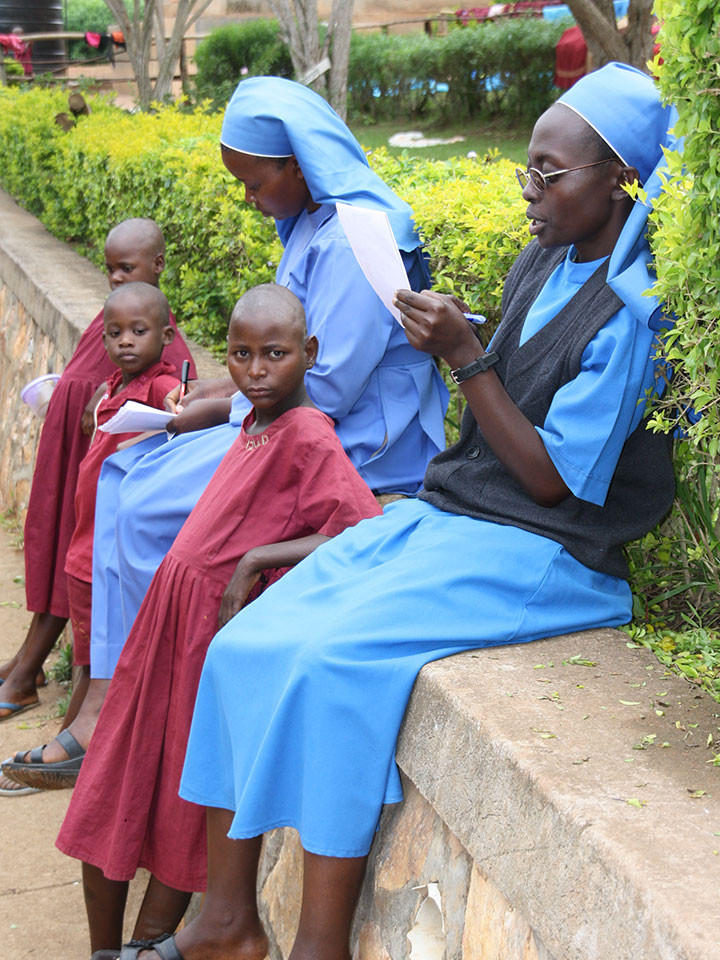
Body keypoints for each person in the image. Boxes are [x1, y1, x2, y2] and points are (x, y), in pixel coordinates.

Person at [112, 63, 675, 960]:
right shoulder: (548, 256)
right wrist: (468, 342)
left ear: (624, 182)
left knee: (339, 665)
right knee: (248, 639)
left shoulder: (631, 316)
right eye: (525, 169)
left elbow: (549, 483)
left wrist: (465, 356)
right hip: (455, 519)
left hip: (547, 555)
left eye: (549, 173)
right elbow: (503, 422)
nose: (529, 191)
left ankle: (320, 946)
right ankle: (226, 920)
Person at [6, 76, 448, 790]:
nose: (247, 196)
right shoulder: (314, 222)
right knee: (122, 467)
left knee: (148, 502)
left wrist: (209, 407)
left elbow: (325, 388)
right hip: (290, 418)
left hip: (350, 449)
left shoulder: (358, 238)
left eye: (252, 180)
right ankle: (108, 691)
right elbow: (283, 367)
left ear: (298, 165)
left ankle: (140, 706)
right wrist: (211, 391)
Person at [55, 284, 383, 956]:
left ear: (309, 353)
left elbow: (356, 530)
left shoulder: (307, 435)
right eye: (240, 354)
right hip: (167, 625)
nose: (256, 371)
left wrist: (259, 559)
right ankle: (104, 949)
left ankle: (152, 945)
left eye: (274, 354)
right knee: (112, 783)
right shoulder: (252, 421)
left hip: (209, 640)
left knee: (180, 799)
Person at [0, 219, 195, 743]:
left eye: (125, 268)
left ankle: (64, 725)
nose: (114, 278)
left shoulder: (162, 357)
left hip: (112, 509)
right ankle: (30, 665)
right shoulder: (124, 322)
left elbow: (177, 401)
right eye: (108, 269)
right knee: (58, 549)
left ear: (156, 266)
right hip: (81, 461)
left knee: (94, 625)